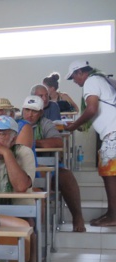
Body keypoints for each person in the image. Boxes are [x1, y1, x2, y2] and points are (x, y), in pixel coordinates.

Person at [22, 95, 86, 231]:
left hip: (44, 169)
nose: (30, 114)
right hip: (21, 168)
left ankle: (77, 216)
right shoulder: (16, 124)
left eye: (34, 111)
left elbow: (58, 142)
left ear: (40, 113)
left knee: (66, 176)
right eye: (27, 110)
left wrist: (32, 142)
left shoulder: (46, 124)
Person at [65, 60, 116, 227]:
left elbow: (92, 108)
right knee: (110, 174)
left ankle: (113, 215)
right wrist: (82, 124)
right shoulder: (100, 79)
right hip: (112, 132)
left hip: (113, 134)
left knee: (110, 175)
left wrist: (74, 125)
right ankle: (111, 213)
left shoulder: (91, 81)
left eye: (74, 77)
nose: (75, 81)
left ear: (80, 72)